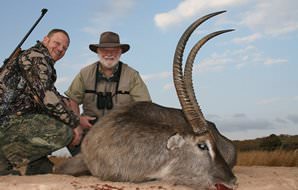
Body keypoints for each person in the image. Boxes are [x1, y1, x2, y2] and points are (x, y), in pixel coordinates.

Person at [0, 29, 83, 175]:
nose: (60, 49)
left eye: (64, 48)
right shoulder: (35, 57)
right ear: (45, 40)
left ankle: (37, 164)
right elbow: (48, 98)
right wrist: (74, 124)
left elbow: (53, 95)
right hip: (5, 123)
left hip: (12, 122)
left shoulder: (41, 61)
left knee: (58, 114)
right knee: (64, 131)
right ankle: (3, 161)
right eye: (57, 43)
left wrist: (71, 108)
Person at [65, 31, 151, 155]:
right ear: (98, 52)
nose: (109, 54)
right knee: (67, 128)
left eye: (114, 50)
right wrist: (78, 120)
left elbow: (145, 106)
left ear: (120, 52)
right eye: (105, 50)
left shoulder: (132, 75)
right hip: (90, 131)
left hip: (120, 133)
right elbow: (72, 100)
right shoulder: (85, 73)